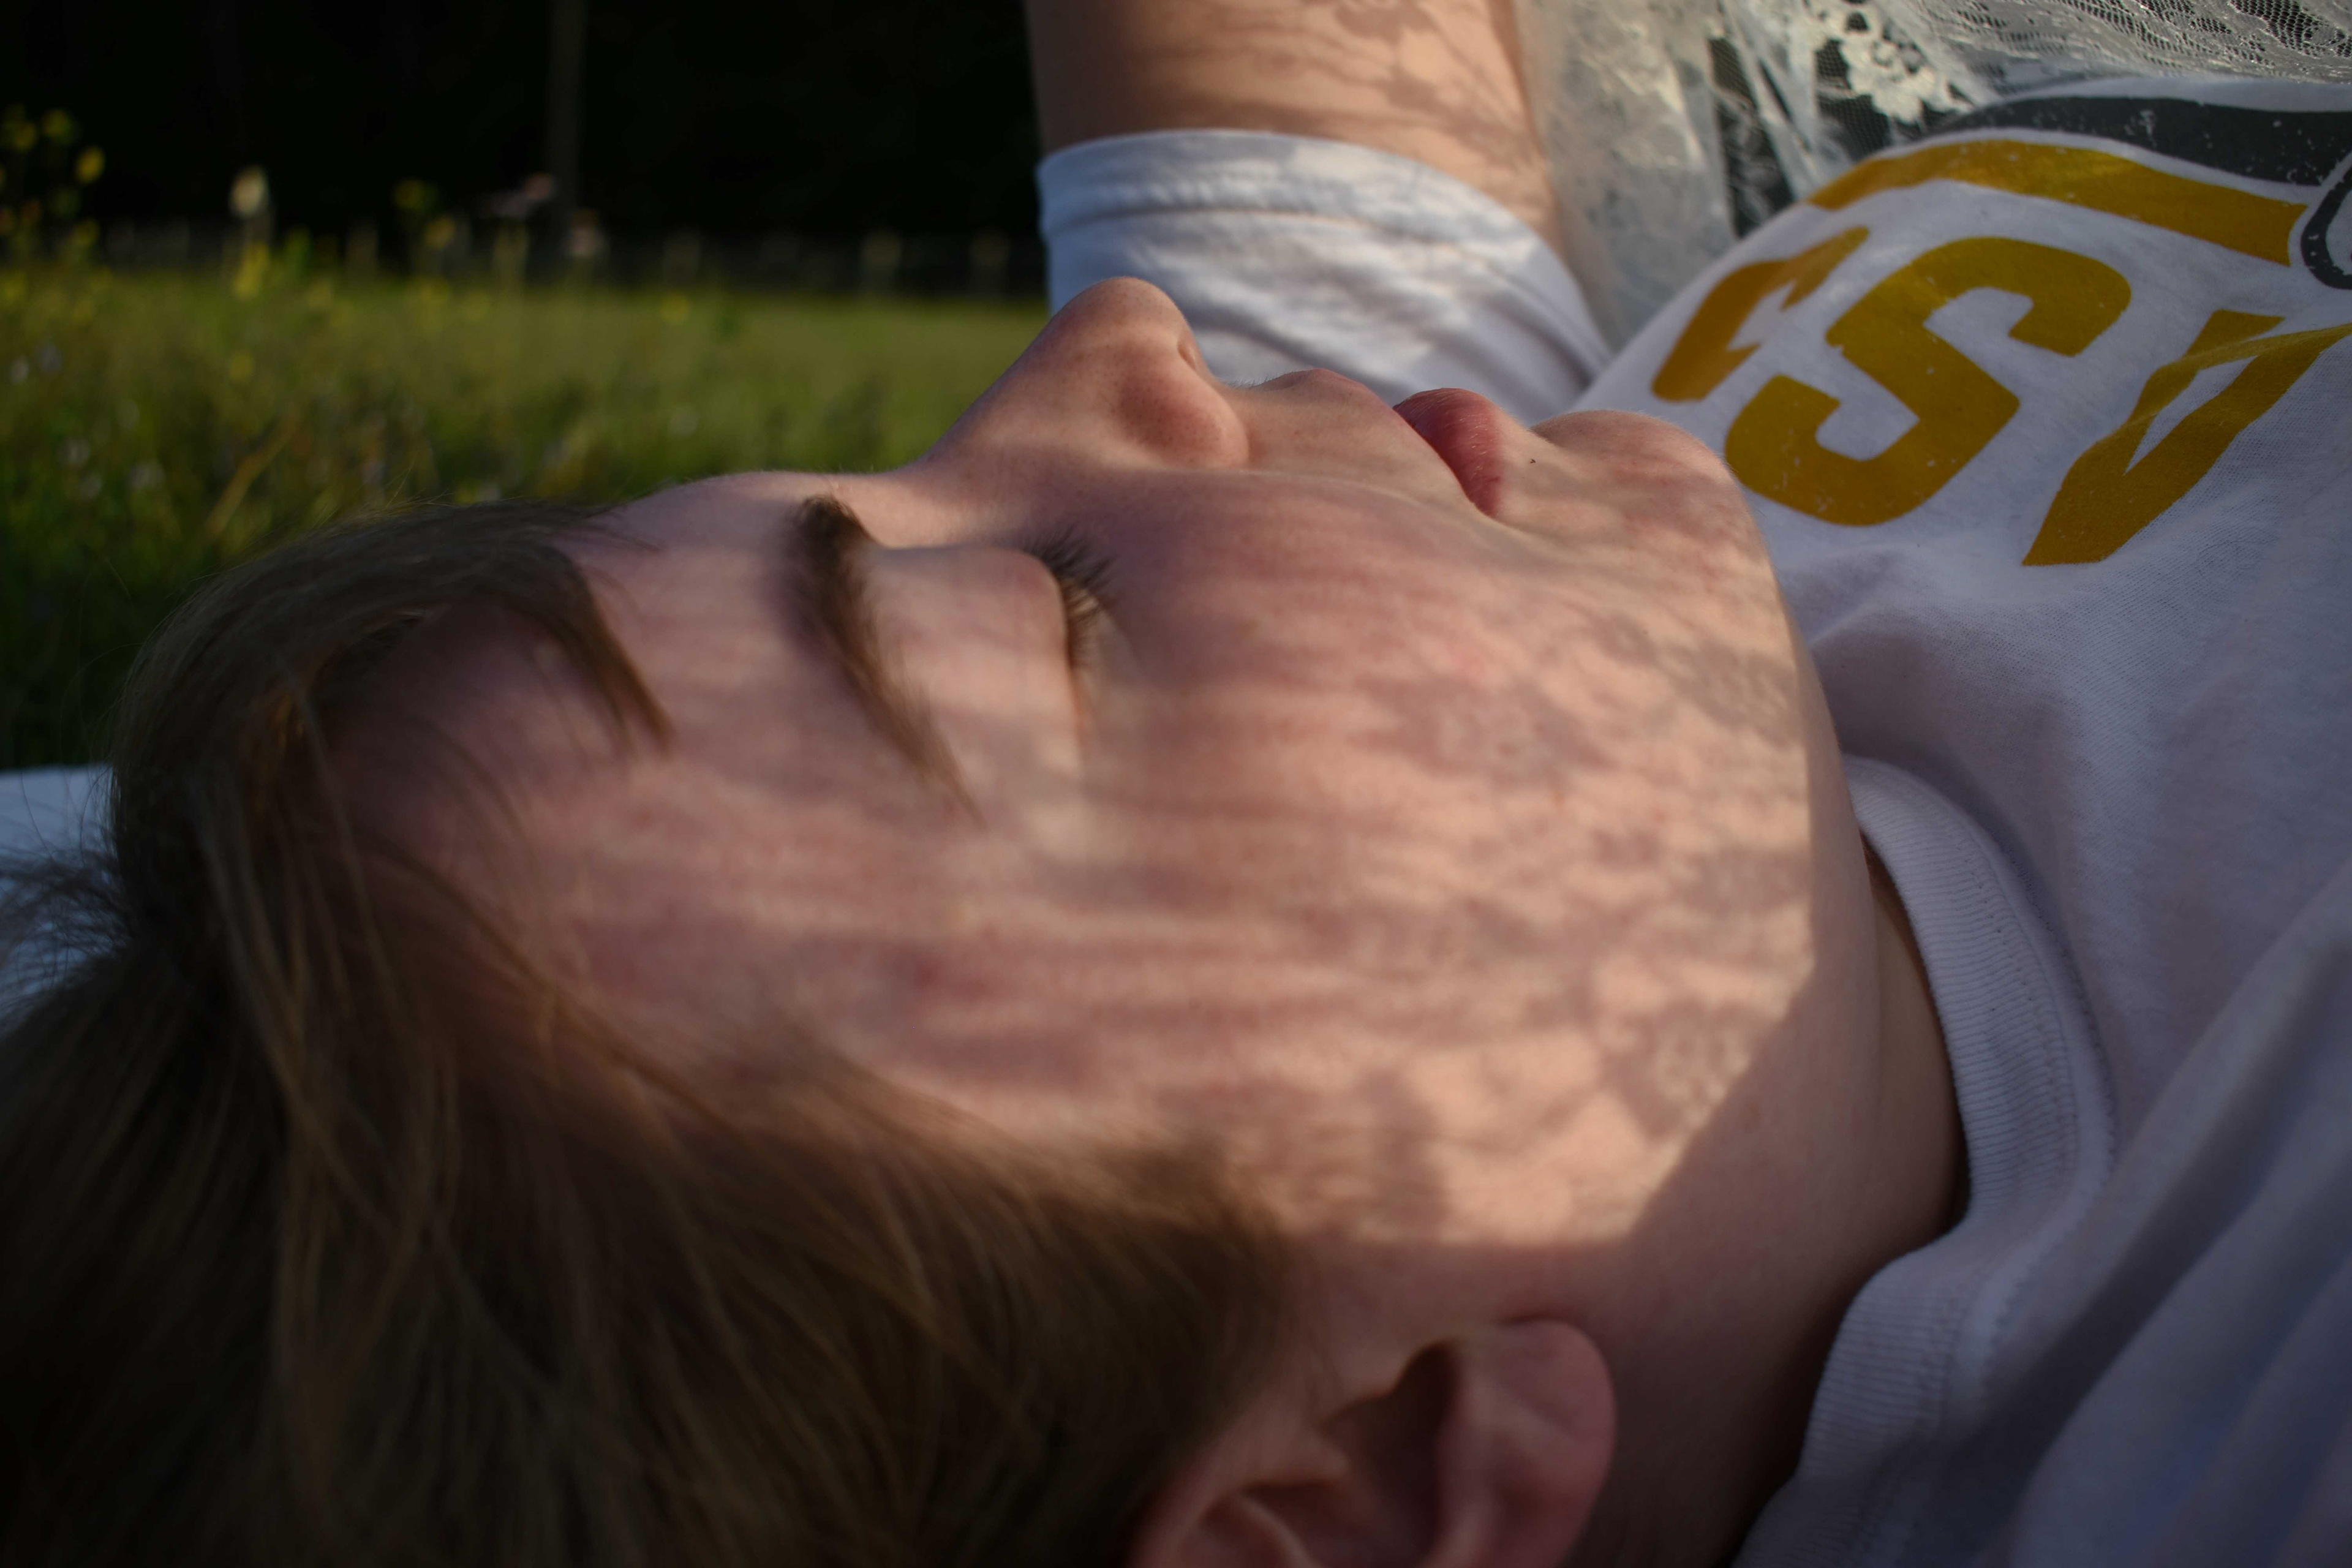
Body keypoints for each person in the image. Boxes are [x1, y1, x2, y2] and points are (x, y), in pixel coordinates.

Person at [3, 1, 2348, 1562]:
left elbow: (1300, 77)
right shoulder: (2254, 1365)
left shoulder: (1536, 584)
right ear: (1352, 1487)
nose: (1116, 358)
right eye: (1042, 613)